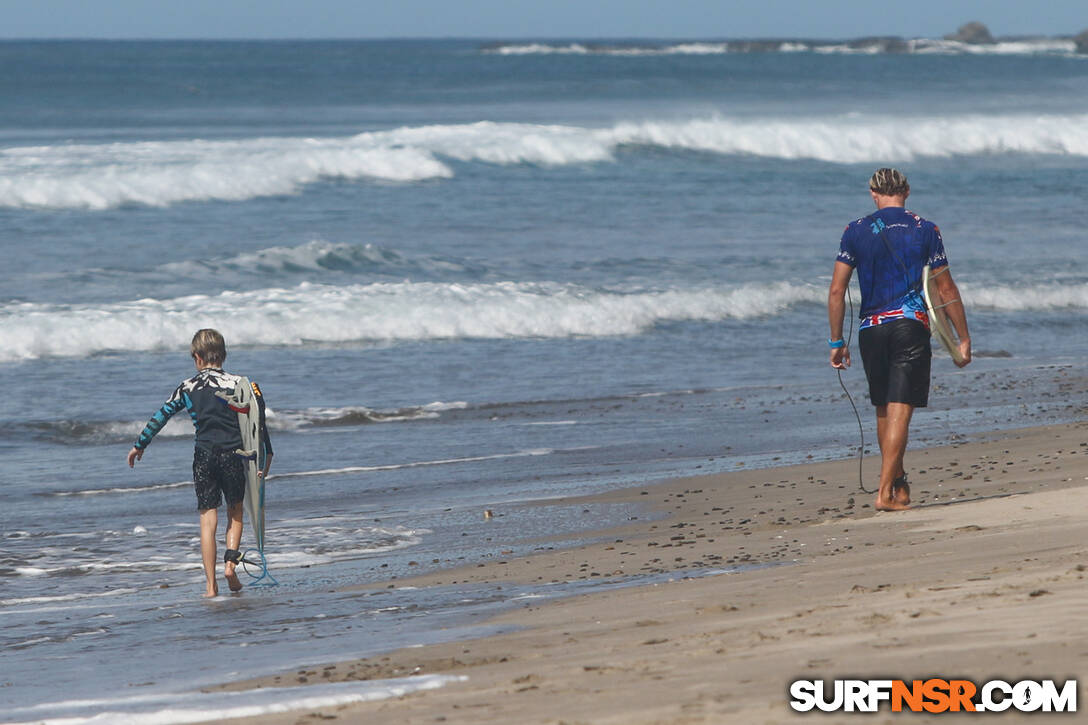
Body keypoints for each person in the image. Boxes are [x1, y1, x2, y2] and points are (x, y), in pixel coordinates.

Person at [827, 168, 971, 511]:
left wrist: (836, 342)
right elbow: (946, 289)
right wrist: (961, 338)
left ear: (873, 194)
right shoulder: (926, 229)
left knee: (884, 409)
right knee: (900, 412)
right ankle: (882, 494)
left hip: (870, 330)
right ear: (906, 190)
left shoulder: (855, 231)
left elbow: (836, 290)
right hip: (910, 326)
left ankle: (897, 483)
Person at [127, 329, 273, 597]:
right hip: (234, 455)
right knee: (236, 512)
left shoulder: (187, 387)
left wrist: (140, 444)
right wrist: (263, 460)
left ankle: (210, 585)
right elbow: (257, 427)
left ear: (196, 358)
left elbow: (161, 415)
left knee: (208, 520)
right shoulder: (240, 383)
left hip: (204, 457)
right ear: (224, 355)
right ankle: (230, 566)